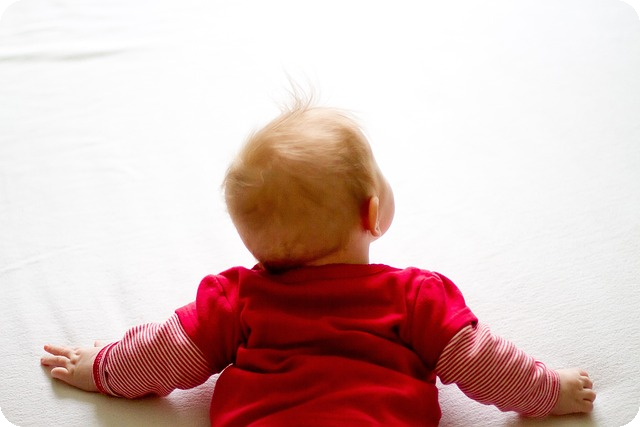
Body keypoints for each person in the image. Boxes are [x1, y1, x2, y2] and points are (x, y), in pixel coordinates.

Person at [41, 98, 596, 426]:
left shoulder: (237, 300)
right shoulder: (416, 298)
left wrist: (102, 367)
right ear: (372, 212)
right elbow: (487, 366)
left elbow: (162, 354)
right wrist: (550, 392)